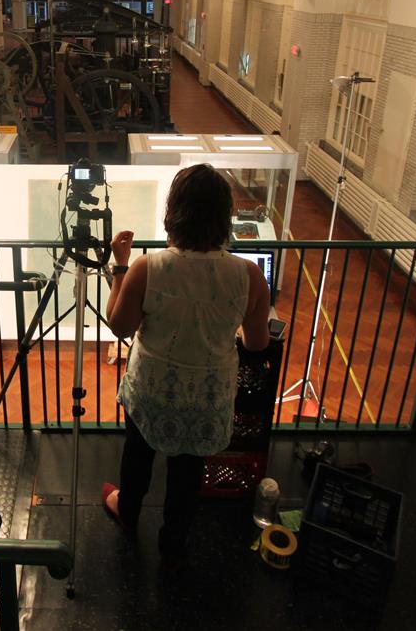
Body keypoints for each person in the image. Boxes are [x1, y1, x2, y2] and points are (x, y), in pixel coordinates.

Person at [101, 163, 271, 568]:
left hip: (152, 392)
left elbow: (120, 325)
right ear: (224, 217)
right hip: (208, 399)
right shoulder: (249, 275)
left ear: (174, 212)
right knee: (188, 474)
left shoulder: (149, 267)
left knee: (137, 455)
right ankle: (173, 542)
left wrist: (120, 266)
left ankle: (128, 510)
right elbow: (257, 342)